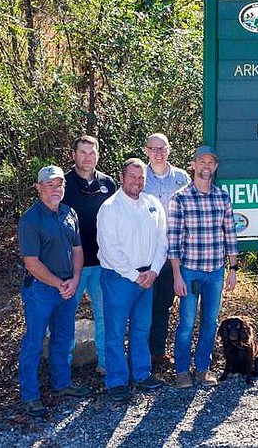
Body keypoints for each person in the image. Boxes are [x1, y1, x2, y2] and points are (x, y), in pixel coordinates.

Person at [18, 166, 90, 417]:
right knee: (34, 342)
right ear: (38, 188)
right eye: (49, 185)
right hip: (41, 290)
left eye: (59, 185)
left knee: (63, 338)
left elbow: (78, 250)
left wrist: (75, 280)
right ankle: (30, 395)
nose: (55, 189)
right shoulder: (30, 219)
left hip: (68, 288)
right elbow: (31, 262)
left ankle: (62, 384)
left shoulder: (70, 213)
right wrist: (58, 283)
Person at [96, 159, 168, 401]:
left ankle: (141, 373)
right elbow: (111, 250)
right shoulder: (110, 208)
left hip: (148, 277)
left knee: (141, 328)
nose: (137, 182)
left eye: (141, 178)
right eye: (132, 177)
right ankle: (116, 380)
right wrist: (136, 276)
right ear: (122, 178)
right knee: (115, 331)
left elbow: (162, 242)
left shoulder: (153, 204)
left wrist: (154, 272)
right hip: (119, 278)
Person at [168, 145, 239, 388]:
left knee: (210, 321)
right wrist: (176, 275)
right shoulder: (180, 198)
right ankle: (181, 371)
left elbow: (230, 234)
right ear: (193, 165)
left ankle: (202, 369)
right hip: (189, 271)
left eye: (210, 162)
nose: (206, 166)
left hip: (215, 272)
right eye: (202, 162)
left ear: (215, 166)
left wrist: (233, 269)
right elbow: (173, 241)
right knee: (186, 323)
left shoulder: (222, 197)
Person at [61, 135, 116, 374]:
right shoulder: (62, 183)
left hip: (103, 263)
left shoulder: (108, 183)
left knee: (105, 316)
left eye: (92, 152)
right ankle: (63, 367)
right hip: (71, 265)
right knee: (65, 317)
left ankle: (105, 363)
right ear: (74, 155)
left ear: (98, 155)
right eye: (82, 152)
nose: (87, 157)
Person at [143, 133, 191, 371]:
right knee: (144, 304)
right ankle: (141, 355)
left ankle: (158, 353)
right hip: (147, 252)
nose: (158, 153)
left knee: (163, 303)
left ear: (169, 150)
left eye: (162, 148)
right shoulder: (139, 177)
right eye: (154, 149)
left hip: (174, 252)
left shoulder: (182, 177)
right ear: (146, 151)